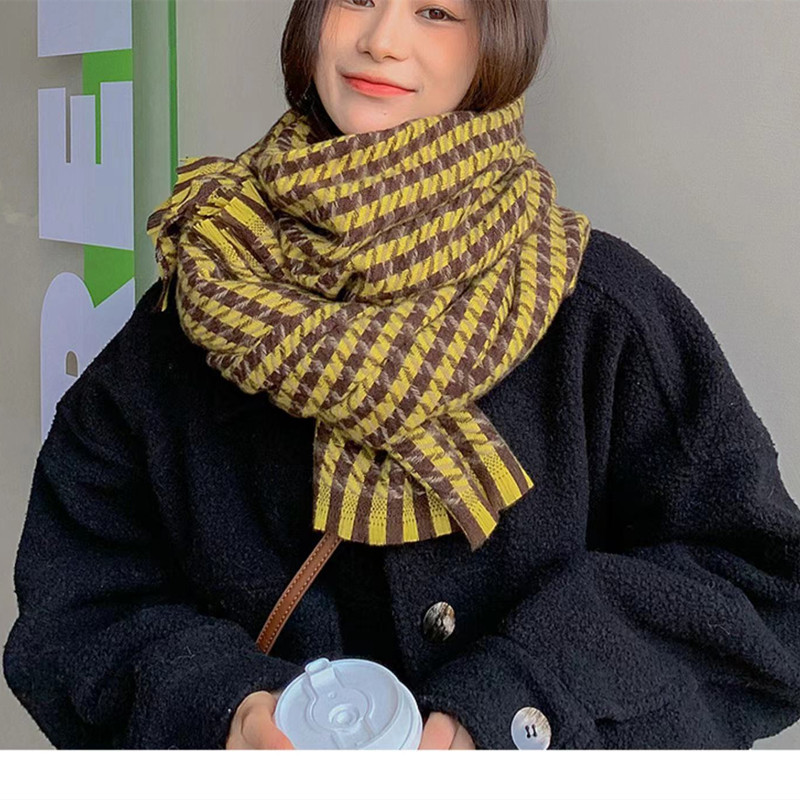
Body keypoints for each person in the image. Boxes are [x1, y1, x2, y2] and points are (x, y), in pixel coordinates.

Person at [4, 0, 800, 751]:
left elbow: (760, 591)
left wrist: (520, 711)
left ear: (497, 38)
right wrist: (226, 711)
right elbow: (80, 598)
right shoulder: (200, 297)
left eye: (436, 11)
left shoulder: (599, 311)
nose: (381, 40)